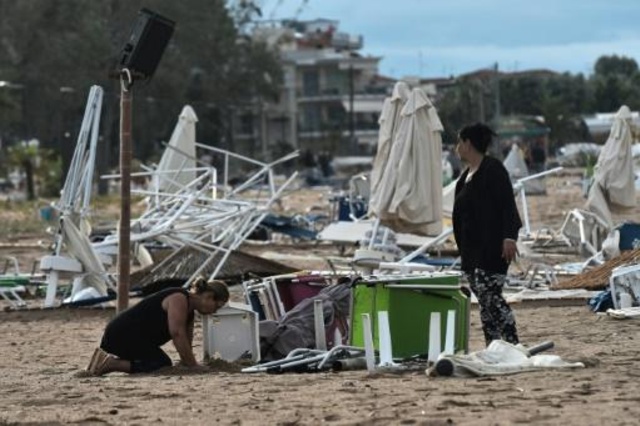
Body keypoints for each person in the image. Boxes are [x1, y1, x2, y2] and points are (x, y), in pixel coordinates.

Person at [452, 123, 522, 346]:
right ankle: (493, 345)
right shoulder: (465, 177)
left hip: (492, 247)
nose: (456, 148)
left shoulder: (493, 169)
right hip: (471, 251)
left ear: (468, 144)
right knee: (483, 300)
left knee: (492, 296)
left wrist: (509, 237)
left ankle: (511, 342)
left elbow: (508, 206)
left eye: (459, 142)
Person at [86, 278, 229, 376]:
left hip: (135, 337)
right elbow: (177, 334)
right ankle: (111, 364)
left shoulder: (189, 313)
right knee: (160, 363)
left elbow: (185, 343)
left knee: (161, 362)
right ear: (208, 296)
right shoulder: (179, 298)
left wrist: (188, 363)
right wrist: (193, 366)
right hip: (121, 334)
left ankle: (103, 360)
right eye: (217, 306)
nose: (215, 311)